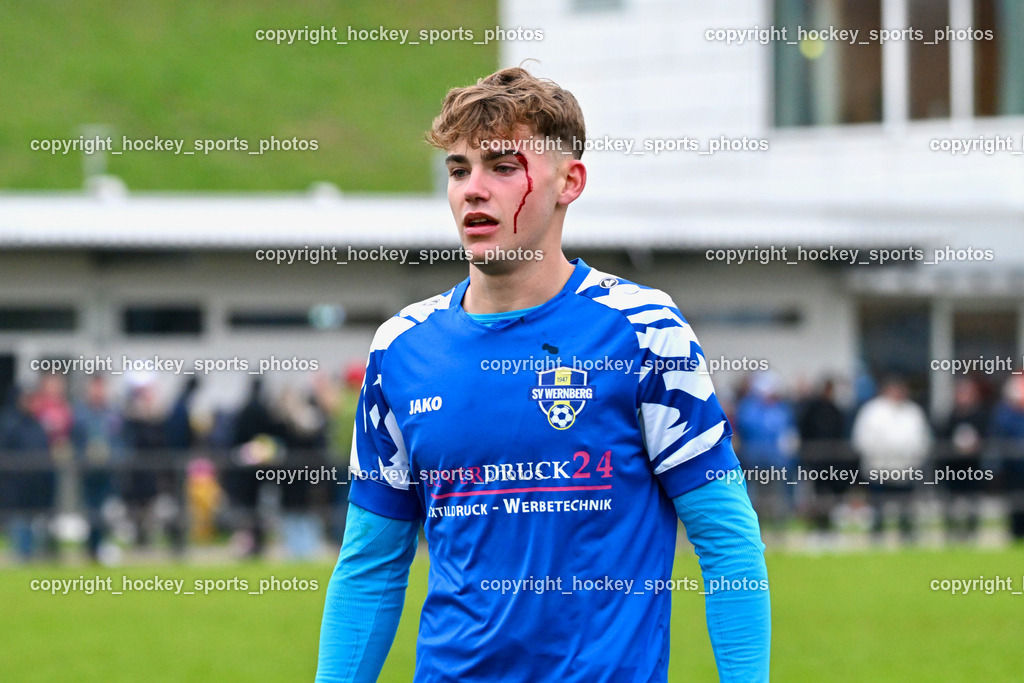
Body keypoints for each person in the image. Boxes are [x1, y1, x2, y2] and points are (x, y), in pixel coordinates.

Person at [316, 67, 770, 682]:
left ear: (569, 181)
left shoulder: (643, 331)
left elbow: (729, 547)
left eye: (503, 167)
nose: (474, 189)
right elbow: (370, 565)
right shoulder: (400, 349)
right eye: (458, 170)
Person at [851, 377, 932, 542]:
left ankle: (908, 539)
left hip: (906, 470)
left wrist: (914, 460)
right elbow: (862, 439)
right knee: (878, 508)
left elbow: (924, 440)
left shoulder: (913, 412)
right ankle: (877, 539)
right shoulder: (872, 411)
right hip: (879, 469)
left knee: (906, 509)